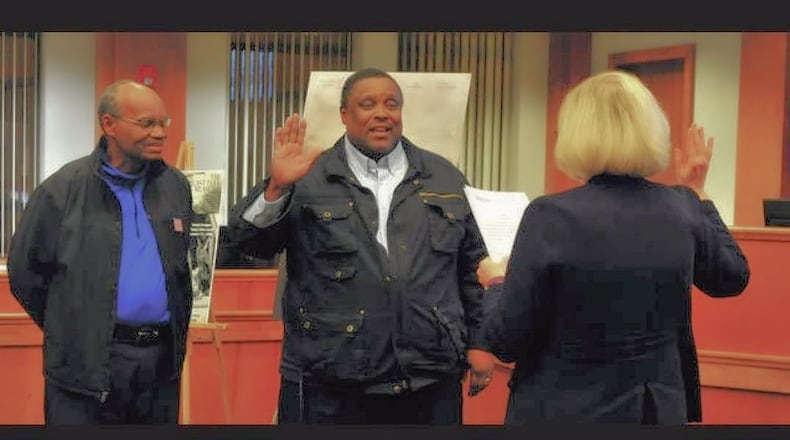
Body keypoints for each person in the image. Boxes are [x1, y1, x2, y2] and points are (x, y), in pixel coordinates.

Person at [474, 70, 750, 425]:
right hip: (657, 411)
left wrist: (496, 283)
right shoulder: (681, 206)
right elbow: (731, 278)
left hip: (565, 409)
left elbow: (506, 339)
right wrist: (698, 191)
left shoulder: (551, 215)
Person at [228, 67, 494, 424]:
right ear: (344, 115)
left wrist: (480, 342)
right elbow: (251, 246)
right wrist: (276, 189)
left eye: (392, 104)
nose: (382, 113)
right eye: (367, 104)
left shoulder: (443, 176)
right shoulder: (309, 175)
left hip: (429, 376)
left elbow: (471, 266)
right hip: (329, 378)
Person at [7, 79, 195, 424]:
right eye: (147, 123)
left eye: (163, 123)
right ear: (109, 124)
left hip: (159, 367)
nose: (160, 133)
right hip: (85, 370)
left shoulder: (175, 186)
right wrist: (74, 327)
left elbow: (180, 270)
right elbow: (24, 273)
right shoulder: (62, 190)